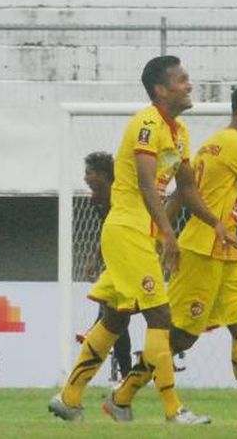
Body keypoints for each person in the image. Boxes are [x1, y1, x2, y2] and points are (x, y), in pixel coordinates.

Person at [49, 55, 237, 424]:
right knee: (160, 315)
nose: (189, 85)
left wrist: (216, 223)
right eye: (182, 80)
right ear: (161, 89)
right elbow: (145, 183)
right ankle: (173, 410)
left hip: (139, 234)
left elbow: (187, 188)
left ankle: (69, 397)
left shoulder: (180, 133)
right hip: (127, 231)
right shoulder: (147, 124)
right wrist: (169, 233)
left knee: (116, 319)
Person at [105, 80, 237, 424]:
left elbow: (185, 192)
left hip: (225, 252)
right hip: (203, 251)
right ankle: (120, 397)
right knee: (180, 336)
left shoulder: (212, 143)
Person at [79, 151, 133, 381]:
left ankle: (93, 331)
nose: (85, 178)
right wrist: (95, 257)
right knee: (118, 319)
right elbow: (107, 231)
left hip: (134, 259)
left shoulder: (121, 196)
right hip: (115, 261)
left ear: (102, 175)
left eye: (89, 173)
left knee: (117, 317)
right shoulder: (98, 199)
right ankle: (127, 376)